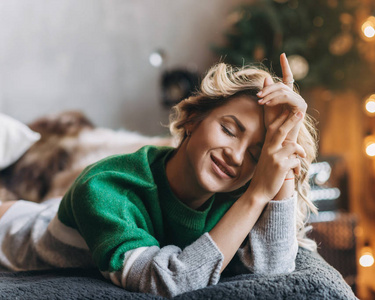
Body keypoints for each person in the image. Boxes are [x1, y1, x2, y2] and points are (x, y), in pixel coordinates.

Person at [0, 54, 318, 298]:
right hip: (16, 233)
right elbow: (165, 283)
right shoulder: (103, 187)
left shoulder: (234, 195)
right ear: (193, 119)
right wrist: (257, 194)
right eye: (228, 129)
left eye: (255, 154)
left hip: (82, 219)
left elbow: (271, 278)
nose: (235, 156)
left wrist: (285, 154)